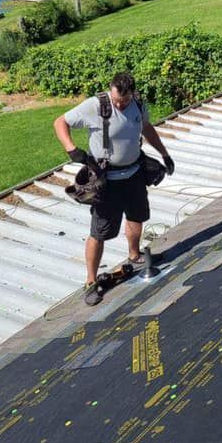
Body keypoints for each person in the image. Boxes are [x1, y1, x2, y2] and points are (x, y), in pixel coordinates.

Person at [53, 71, 174, 304]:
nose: (120, 104)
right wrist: (71, 148)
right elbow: (60, 122)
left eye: (124, 100)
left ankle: (134, 254)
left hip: (134, 174)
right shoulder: (96, 106)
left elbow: (146, 128)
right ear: (111, 90)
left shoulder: (137, 103)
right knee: (99, 231)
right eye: (117, 99)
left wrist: (164, 154)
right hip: (106, 181)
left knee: (137, 216)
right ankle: (90, 281)